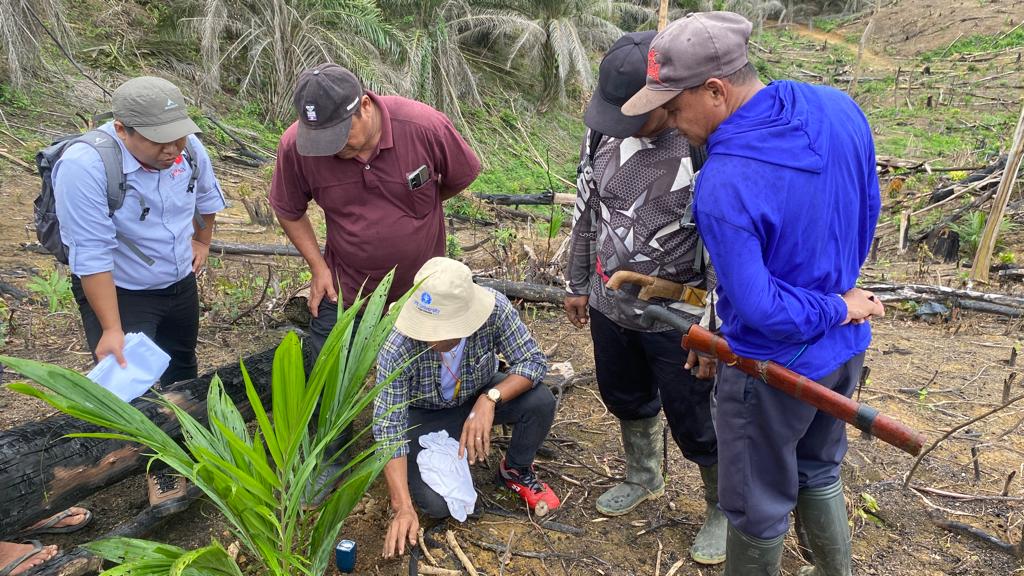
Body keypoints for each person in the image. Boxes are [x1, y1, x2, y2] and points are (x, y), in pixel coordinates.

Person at [622, 12, 884, 576]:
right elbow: (868, 209)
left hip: (771, 371)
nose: (671, 125)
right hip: (841, 352)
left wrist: (833, 305)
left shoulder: (725, 180)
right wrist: (839, 296)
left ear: (715, 90)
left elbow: (761, 308)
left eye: (675, 108)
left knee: (754, 505)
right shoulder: (838, 108)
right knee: (819, 468)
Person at [565, 31, 725, 565]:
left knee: (696, 416)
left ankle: (721, 507)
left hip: (679, 313)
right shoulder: (601, 135)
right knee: (624, 394)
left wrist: (713, 328)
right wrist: (577, 283)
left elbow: (726, 245)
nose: (621, 125)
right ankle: (643, 474)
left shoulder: (700, 141)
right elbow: (586, 210)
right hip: (610, 303)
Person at [54, 76, 226, 512]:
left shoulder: (188, 150)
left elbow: (206, 199)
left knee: (182, 363)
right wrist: (111, 328)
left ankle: (186, 443)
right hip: (122, 290)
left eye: (178, 135)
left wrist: (202, 242)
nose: (172, 148)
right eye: (158, 140)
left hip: (178, 281)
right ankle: (158, 466)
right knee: (137, 385)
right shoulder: (85, 166)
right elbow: (91, 254)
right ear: (122, 128)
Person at [269, 63, 481, 361]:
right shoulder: (297, 146)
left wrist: (415, 210)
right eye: (322, 139)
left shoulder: (423, 126)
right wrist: (318, 267)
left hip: (422, 291)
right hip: (346, 289)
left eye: (339, 133)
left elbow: (460, 176)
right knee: (327, 373)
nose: (332, 147)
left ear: (365, 105)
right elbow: (287, 208)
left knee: (431, 378)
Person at [373, 257, 559, 558]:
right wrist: (402, 506)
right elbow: (389, 428)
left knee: (540, 401)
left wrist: (490, 399)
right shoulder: (398, 345)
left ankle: (515, 469)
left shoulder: (494, 311)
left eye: (439, 330)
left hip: (477, 395)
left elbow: (533, 361)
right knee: (437, 505)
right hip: (425, 415)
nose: (429, 337)